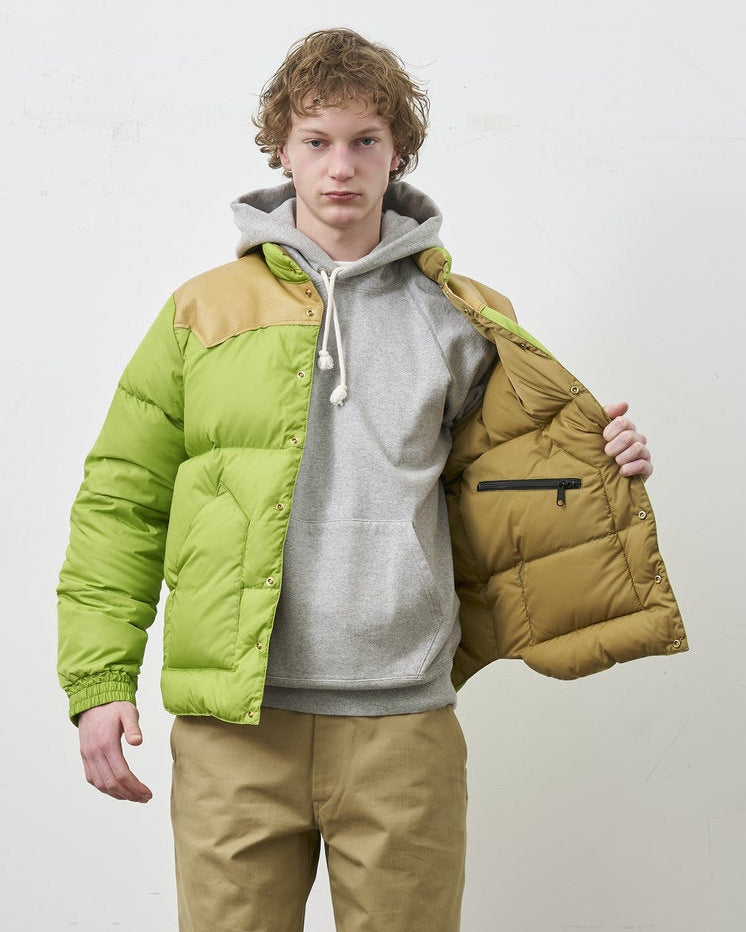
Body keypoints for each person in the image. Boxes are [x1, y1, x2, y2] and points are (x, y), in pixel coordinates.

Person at [57, 27, 687, 932]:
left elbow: (525, 479)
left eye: (365, 140)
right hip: (237, 730)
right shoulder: (203, 312)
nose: (341, 167)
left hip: (405, 729)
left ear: (399, 152)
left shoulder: (464, 318)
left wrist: (605, 462)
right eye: (316, 140)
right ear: (282, 150)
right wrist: (98, 681)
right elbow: (122, 499)